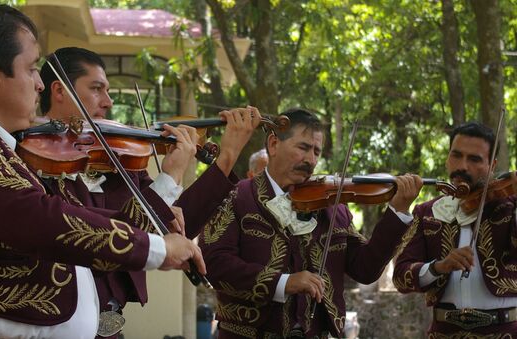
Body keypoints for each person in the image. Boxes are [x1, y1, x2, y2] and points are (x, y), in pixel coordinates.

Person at [0, 1, 206, 338]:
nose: (39, 84)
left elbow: (76, 228)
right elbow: (41, 220)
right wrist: (157, 249)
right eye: (32, 69)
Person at [36, 47, 260, 336]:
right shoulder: (35, 163)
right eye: (96, 89)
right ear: (59, 90)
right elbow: (105, 236)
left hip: (110, 327)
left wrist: (227, 156)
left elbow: (170, 228)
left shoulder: (118, 161)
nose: (109, 101)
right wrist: (169, 176)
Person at [199, 108, 423, 338]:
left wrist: (398, 211)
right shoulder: (235, 196)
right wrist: (284, 283)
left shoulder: (334, 206)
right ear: (274, 144)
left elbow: (365, 269)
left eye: (317, 151)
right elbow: (215, 264)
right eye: (303, 148)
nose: (311, 160)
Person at [393, 121, 517, 337]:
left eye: (475, 159)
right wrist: (438, 267)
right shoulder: (427, 212)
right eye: (456, 155)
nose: (463, 166)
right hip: (444, 332)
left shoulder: (510, 206)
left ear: (492, 165)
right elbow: (400, 276)